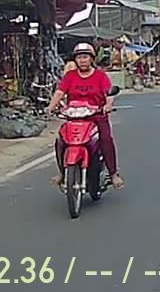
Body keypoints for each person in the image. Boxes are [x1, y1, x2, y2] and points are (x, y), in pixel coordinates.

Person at [48, 43, 124, 189]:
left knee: (106, 140)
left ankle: (113, 174)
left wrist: (108, 105)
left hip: (96, 116)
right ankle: (62, 173)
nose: (82, 60)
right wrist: (51, 107)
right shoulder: (70, 76)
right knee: (60, 141)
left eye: (85, 57)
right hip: (73, 117)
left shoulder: (100, 76)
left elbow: (108, 93)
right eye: (79, 57)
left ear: (91, 59)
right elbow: (60, 92)